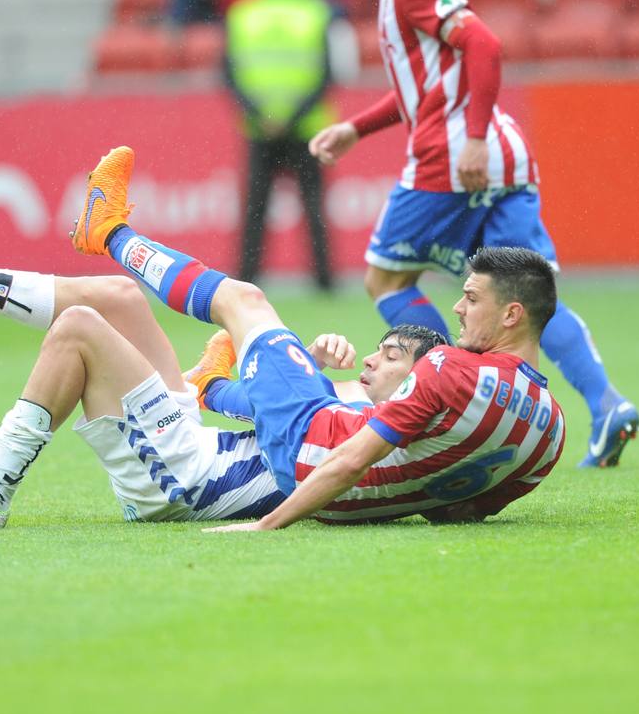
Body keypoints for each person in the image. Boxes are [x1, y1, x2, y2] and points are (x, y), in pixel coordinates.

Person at [0, 187, 445, 528]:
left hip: (187, 479)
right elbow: (257, 407)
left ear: (417, 380)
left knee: (79, 328)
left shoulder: (385, 428)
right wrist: (303, 371)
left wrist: (287, 373)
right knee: (121, 296)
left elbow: (256, 406)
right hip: (196, 447)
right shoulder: (362, 406)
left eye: (390, 356)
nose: (371, 360)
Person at [70, 146, 565, 529]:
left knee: (245, 301)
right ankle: (211, 384)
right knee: (344, 394)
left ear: (511, 314)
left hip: (311, 453)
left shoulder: (450, 366)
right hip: (354, 504)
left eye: (472, 299)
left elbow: (351, 459)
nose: (457, 308)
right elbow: (459, 511)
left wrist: (269, 523)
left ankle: (108, 232)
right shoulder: (552, 434)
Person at [307, 0, 639, 469]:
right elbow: (427, 86)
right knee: (526, 295)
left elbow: (484, 45)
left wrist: (476, 139)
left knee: (386, 281)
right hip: (504, 155)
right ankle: (607, 405)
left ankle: (450, 399)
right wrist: (357, 128)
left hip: (454, 157)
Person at [224, 0, 336, 290]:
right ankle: (324, 280)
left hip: (260, 128)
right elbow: (327, 74)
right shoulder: (315, 13)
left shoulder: (244, 14)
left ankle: (247, 277)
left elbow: (228, 74)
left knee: (255, 208)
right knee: (313, 207)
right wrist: (294, 116)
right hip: (306, 129)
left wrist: (261, 114)